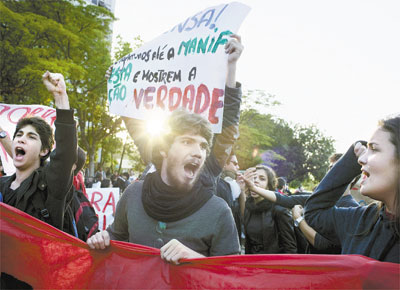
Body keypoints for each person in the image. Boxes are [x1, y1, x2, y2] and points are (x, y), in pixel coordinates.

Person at [87, 34, 244, 264]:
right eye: (187, 142)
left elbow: (231, 275)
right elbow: (117, 237)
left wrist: (195, 258)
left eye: (202, 145)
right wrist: (120, 86)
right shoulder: (133, 195)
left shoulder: (219, 211)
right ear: (163, 150)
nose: (198, 152)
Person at [0, 71, 77, 288]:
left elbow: (65, 154)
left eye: (31, 136)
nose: (21, 138)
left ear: (44, 151)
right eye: (19, 135)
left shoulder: (50, 186)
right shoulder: (2, 186)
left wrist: (61, 97)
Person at [304, 115, 400, 263]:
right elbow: (314, 212)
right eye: (365, 150)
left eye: (374, 149)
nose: (360, 160)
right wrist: (352, 155)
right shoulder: (360, 220)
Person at [240, 164, 297, 254]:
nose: (255, 181)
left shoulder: (279, 210)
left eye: (262, 179)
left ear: (269, 186)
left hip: (274, 265)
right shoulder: (248, 208)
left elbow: (291, 249)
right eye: (253, 178)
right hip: (253, 265)